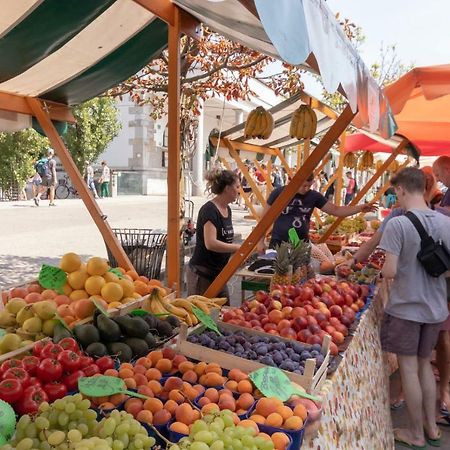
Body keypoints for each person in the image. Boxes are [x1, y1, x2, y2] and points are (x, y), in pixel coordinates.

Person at [378, 167, 450, 448]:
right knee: (422, 367)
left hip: (406, 309)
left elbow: (390, 270)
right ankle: (430, 428)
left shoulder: (398, 224)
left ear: (402, 190)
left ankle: (415, 434)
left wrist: (382, 270)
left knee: (408, 370)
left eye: (395, 191)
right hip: (434, 309)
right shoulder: (445, 222)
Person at [256, 173, 377, 253]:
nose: (306, 189)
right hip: (278, 243)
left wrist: (360, 208)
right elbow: (264, 218)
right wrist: (260, 241)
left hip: (301, 244)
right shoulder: (278, 193)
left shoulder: (314, 196)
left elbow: (337, 210)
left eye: (309, 185)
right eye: (303, 185)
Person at [187, 169, 241, 297]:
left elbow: (224, 241)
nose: (239, 191)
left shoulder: (227, 209)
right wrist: (238, 248)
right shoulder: (209, 210)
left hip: (219, 275)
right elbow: (211, 243)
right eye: (237, 187)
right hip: (202, 274)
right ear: (227, 188)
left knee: (225, 313)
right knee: (202, 315)